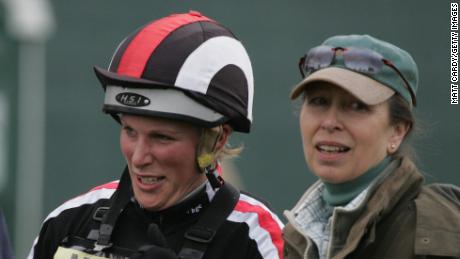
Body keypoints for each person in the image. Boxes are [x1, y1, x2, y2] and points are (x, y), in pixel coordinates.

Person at [28, 11, 284, 259]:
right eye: (129, 130)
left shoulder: (257, 238)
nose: (139, 157)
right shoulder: (68, 223)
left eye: (162, 137)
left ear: (217, 140)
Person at [283, 34, 460, 259]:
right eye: (319, 102)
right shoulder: (296, 234)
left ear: (397, 131)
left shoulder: (436, 234)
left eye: (357, 106)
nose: (329, 123)